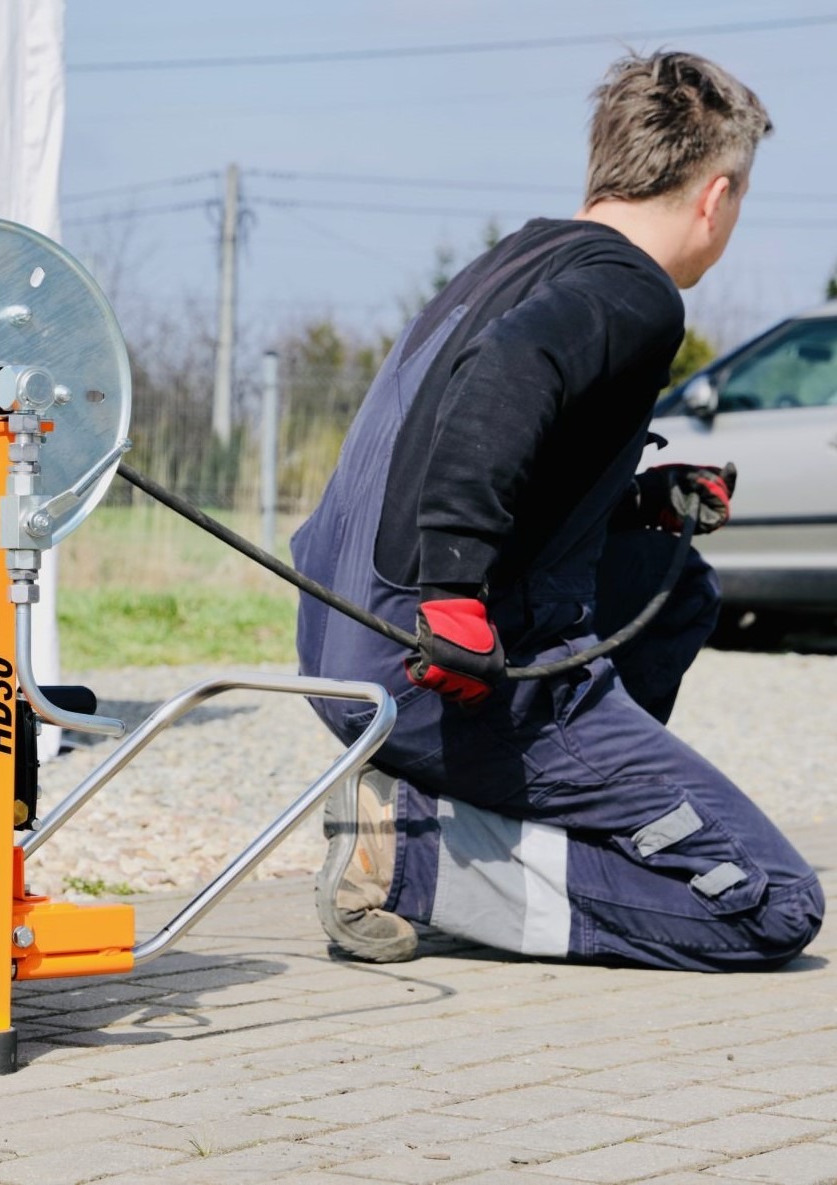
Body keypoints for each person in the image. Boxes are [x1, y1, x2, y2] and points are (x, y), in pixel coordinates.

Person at [295, 50, 824, 972]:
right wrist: (453, 590)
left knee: (673, 577)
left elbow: (483, 431)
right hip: (434, 666)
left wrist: (636, 502)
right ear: (716, 195)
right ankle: (415, 862)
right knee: (769, 901)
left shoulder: (506, 263)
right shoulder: (634, 291)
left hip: (346, 651)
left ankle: (518, 813)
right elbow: (510, 378)